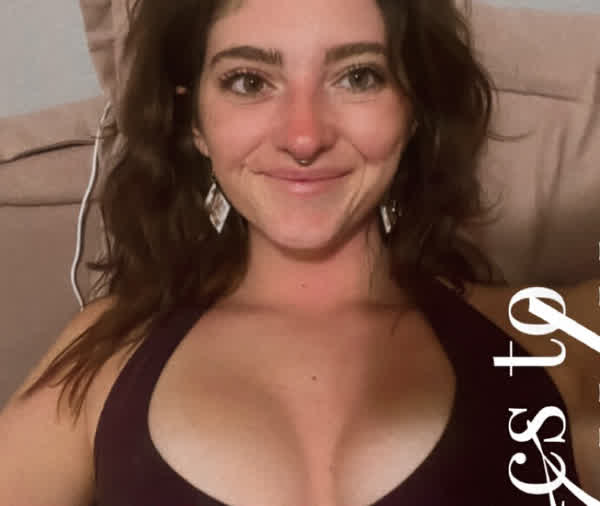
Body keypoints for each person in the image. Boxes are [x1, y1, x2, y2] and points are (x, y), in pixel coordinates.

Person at [1, 0, 598, 504]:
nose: (305, 136)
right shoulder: (106, 356)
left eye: (358, 77)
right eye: (249, 81)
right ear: (194, 122)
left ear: (413, 108)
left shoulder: (546, 336)